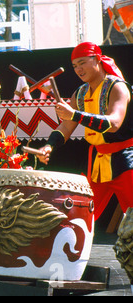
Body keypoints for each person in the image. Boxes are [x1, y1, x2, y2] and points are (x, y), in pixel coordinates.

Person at [37, 42, 133, 222]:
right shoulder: (79, 94)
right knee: (80, 217)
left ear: (97, 59)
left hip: (127, 159)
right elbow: (66, 127)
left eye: (82, 63)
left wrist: (75, 114)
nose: (78, 69)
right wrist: (49, 146)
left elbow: (114, 123)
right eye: (74, 66)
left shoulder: (117, 87)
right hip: (96, 163)